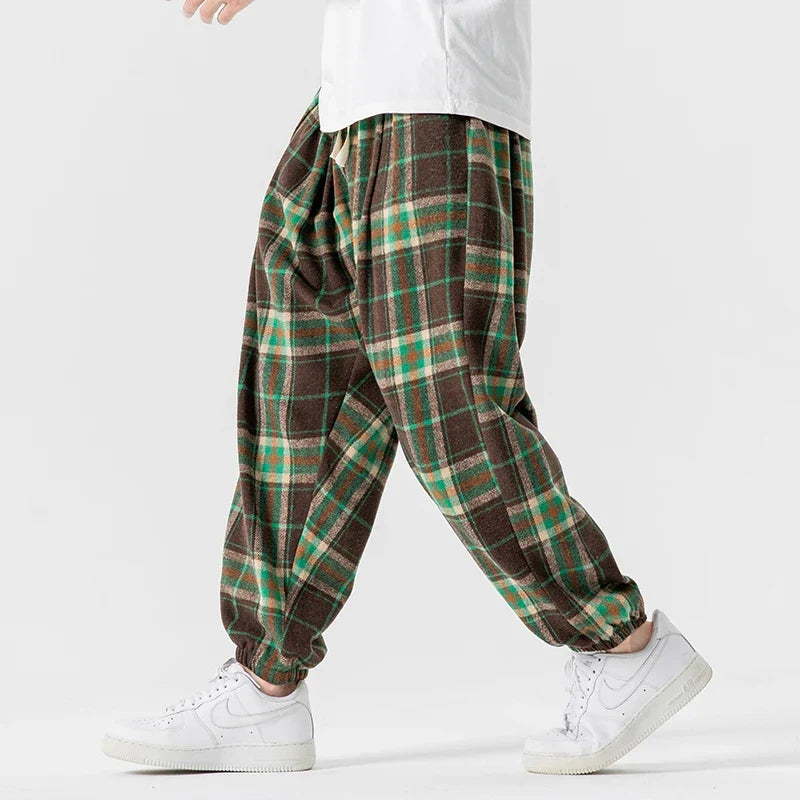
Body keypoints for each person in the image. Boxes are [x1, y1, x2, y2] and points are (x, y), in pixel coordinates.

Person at [102, 0, 711, 775]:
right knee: (301, 387)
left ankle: (621, 643)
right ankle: (265, 682)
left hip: (437, 89)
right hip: (353, 97)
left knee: (449, 404)